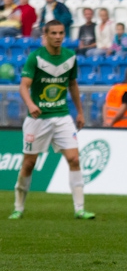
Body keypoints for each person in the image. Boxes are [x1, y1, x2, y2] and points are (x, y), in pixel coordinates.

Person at [10, 20, 93, 220]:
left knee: (74, 158)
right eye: (53, 33)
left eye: (61, 33)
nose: (57, 37)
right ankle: (18, 207)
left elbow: (72, 85)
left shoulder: (70, 57)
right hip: (38, 119)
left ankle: (79, 208)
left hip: (62, 115)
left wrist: (80, 112)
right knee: (29, 163)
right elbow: (23, 86)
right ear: (45, 35)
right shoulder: (36, 58)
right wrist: (30, 104)